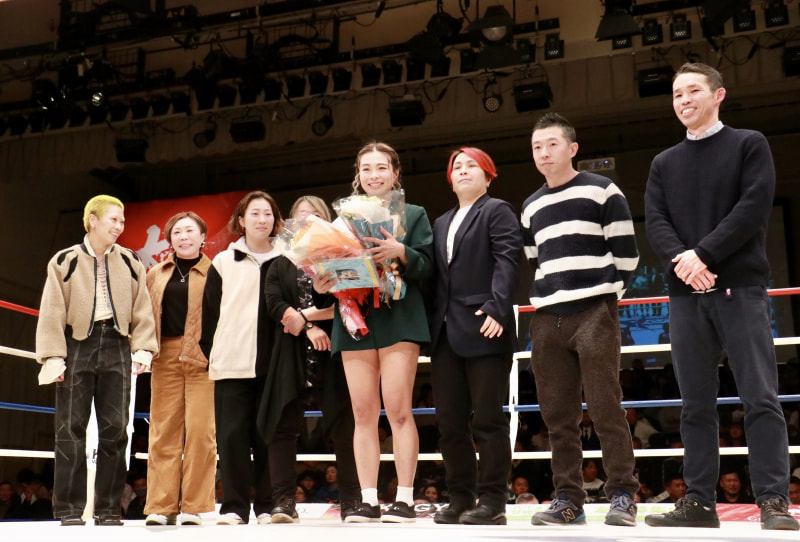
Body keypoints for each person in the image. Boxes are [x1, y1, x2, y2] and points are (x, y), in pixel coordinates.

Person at [643, 62, 799, 531]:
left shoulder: (749, 143)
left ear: (718, 95)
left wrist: (703, 255)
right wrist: (685, 262)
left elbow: (753, 206)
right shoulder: (663, 162)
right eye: (677, 94)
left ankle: (773, 501)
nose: (684, 100)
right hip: (685, 293)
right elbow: (656, 221)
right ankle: (698, 502)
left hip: (739, 287)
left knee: (760, 397)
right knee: (694, 404)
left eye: (693, 90)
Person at [522, 113, 640, 527]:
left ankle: (623, 494)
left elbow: (626, 254)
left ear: (572, 148)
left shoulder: (602, 189)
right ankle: (568, 499)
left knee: (606, 408)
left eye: (552, 144)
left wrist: (605, 296)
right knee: (557, 417)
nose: (543, 153)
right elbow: (535, 260)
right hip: (546, 316)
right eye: (537, 147)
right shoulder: (530, 205)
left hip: (594, 310)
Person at [313, 141, 434, 523]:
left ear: (395, 173)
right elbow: (328, 277)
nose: (374, 175)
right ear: (358, 175)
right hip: (355, 320)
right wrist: (321, 281)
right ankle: (367, 500)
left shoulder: (413, 214)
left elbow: (429, 267)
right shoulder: (342, 220)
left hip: (399, 318)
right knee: (363, 413)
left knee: (398, 410)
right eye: (366, 169)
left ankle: (405, 499)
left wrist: (401, 251)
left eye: (381, 168)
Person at [35, 195, 157, 526]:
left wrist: (144, 348)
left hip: (118, 344)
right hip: (77, 344)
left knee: (116, 430)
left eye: (122, 221)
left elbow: (142, 308)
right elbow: (52, 311)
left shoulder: (130, 261)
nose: (120, 226)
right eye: (114, 219)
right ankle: (69, 509)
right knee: (69, 427)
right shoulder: (64, 260)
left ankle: (108, 509)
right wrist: (53, 356)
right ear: (93, 220)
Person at [428, 147, 523, 526]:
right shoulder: (440, 222)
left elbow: (507, 259)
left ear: (488, 175)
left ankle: (494, 500)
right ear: (450, 179)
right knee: (450, 423)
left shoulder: (496, 210)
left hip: (486, 323)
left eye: (472, 165)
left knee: (488, 419)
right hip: (445, 332)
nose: (464, 171)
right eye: (457, 167)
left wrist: (499, 306)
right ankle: (460, 497)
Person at [260, 196, 360, 522]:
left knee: (344, 426)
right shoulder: (279, 263)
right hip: (291, 351)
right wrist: (309, 326)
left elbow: (346, 303)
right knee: (282, 426)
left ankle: (352, 500)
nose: (307, 219)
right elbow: (275, 305)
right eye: (300, 215)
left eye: (315, 214)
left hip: (333, 349)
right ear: (290, 222)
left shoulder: (341, 257)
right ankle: (283, 502)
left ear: (326, 220)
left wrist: (305, 317)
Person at [200, 191, 284, 525]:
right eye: (255, 214)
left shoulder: (287, 259)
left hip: (275, 366)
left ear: (276, 221)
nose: (262, 220)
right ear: (241, 221)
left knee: (268, 438)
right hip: (232, 363)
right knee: (231, 438)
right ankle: (234, 506)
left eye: (268, 214)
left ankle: (266, 505)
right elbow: (209, 316)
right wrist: (219, 352)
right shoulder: (223, 261)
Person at [144, 211, 217, 526]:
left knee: (201, 433)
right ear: (169, 239)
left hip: (204, 357)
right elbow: (144, 315)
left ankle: (194, 506)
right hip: (165, 356)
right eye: (177, 232)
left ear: (203, 237)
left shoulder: (217, 272)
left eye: (190, 231)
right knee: (163, 432)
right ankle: (161, 506)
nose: (184, 237)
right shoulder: (156, 273)